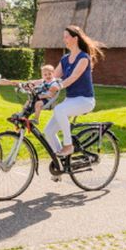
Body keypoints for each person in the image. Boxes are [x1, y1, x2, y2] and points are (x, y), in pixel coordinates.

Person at [46, 25, 103, 157]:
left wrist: (59, 86)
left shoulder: (83, 58)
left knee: (59, 109)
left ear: (75, 38)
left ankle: (68, 145)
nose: (64, 39)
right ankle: (60, 164)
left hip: (85, 100)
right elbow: (52, 76)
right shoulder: (65, 59)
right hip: (70, 101)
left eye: (66, 37)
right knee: (48, 131)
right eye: (63, 37)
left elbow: (74, 77)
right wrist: (30, 83)